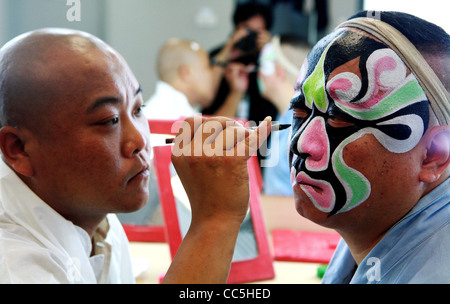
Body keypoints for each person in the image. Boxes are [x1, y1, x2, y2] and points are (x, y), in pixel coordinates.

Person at [0, 28, 271, 283]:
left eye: (139, 109)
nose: (140, 140)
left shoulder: (103, 225)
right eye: (110, 119)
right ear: (19, 149)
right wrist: (213, 221)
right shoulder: (13, 265)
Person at [287, 11, 449, 283]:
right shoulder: (373, 225)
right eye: (300, 111)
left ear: (433, 155)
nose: (302, 144)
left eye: (339, 118)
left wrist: (215, 222)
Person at [202, 2, 276, 122]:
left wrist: (269, 50)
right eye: (247, 30)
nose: (251, 37)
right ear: (236, 28)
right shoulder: (219, 55)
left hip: (258, 130)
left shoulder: (268, 60)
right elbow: (204, 95)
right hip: (214, 126)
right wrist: (227, 51)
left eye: (257, 33)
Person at [257, 35, 310, 196]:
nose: (257, 73)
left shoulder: (300, 128)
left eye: (261, 66)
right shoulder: (285, 120)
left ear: (279, 72)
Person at [143, 39, 215, 120]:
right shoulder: (164, 116)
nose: (213, 75)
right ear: (186, 73)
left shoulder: (159, 111)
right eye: (208, 68)